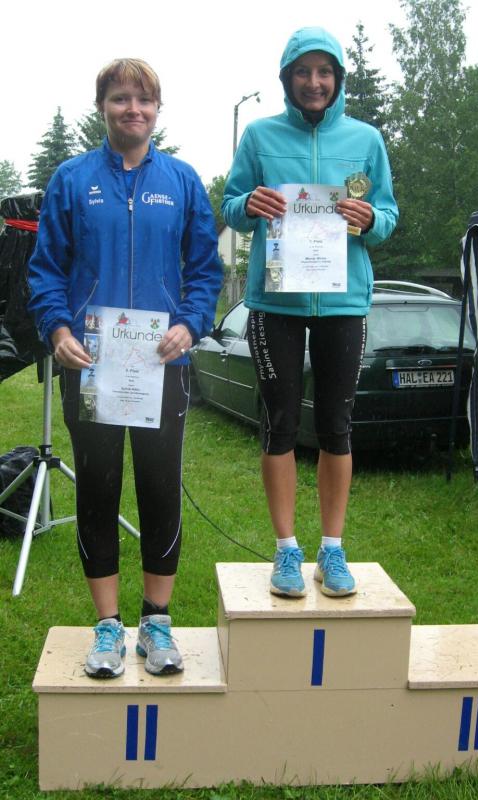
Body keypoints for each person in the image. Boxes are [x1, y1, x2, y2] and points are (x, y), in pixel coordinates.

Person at [28, 59, 222, 677]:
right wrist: (58, 329)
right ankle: (108, 627)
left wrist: (190, 323)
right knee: (99, 487)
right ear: (102, 107)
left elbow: (205, 269)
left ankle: (156, 623)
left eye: (143, 100)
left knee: (160, 487)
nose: (132, 109)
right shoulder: (71, 180)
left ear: (157, 109)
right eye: (119, 98)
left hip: (163, 364)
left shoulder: (183, 181)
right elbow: (45, 268)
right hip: (91, 363)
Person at [222, 28, 398, 599]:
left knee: (335, 427)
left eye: (324, 72)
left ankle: (332, 548)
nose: (314, 82)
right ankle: (286, 549)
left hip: (343, 301)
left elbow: (388, 215)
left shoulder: (366, 139)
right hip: (276, 302)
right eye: (303, 71)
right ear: (287, 78)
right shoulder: (260, 134)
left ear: (338, 79)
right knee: (279, 423)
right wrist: (249, 204)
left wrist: (370, 219)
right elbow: (230, 204)